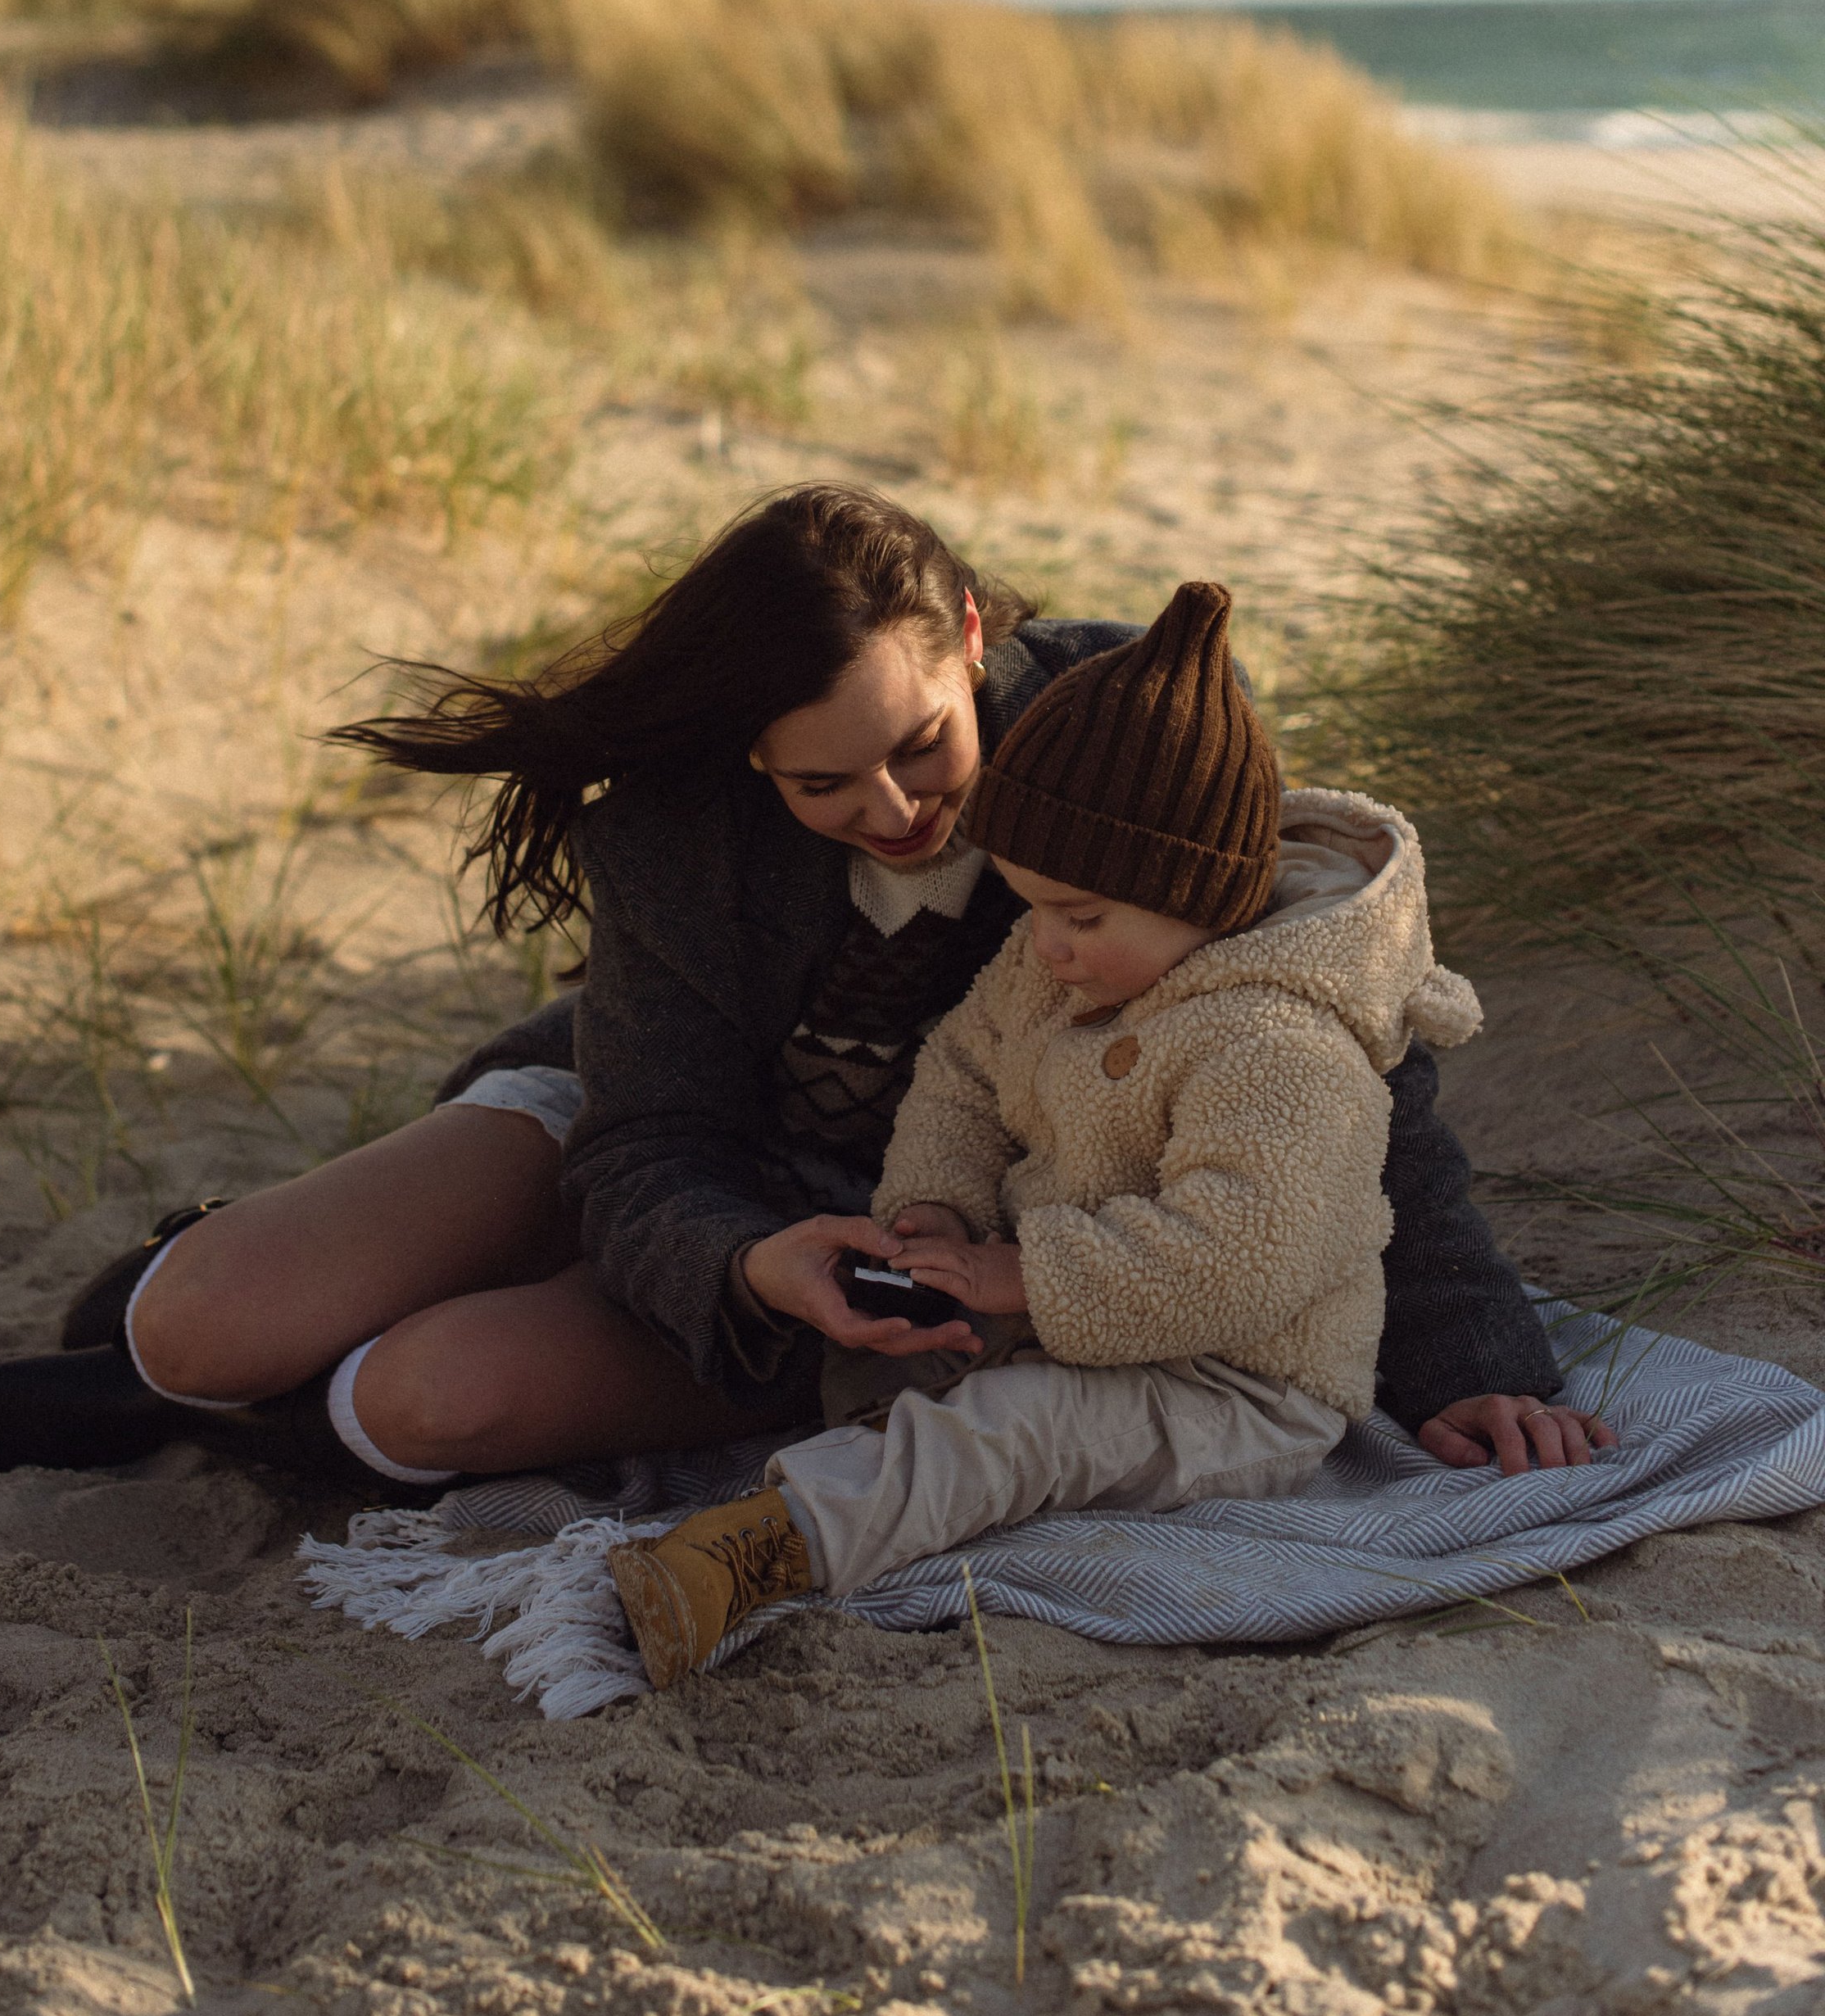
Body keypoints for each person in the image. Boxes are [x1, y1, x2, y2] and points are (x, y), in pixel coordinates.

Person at [0, 487, 1608, 1489]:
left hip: (889, 1254)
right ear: (746, 754)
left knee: (414, 1399)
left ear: (965, 628)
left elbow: (1323, 1028)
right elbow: (644, 1136)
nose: (895, 810)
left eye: (922, 747)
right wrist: (731, 1244)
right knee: (191, 1318)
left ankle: (242, 1418)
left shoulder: (1106, 719)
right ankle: (193, 1326)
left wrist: (1464, 1350)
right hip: (657, 1139)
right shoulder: (669, 827)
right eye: (822, 787)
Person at [612, 581, 1483, 1688]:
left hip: (1233, 1382)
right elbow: (962, 1074)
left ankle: (762, 1556)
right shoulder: (1057, 958)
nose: (1049, 947)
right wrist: (939, 1207)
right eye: (1032, 908)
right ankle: (845, 1485)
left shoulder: (1280, 1043)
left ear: (1197, 895)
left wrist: (1021, 1275)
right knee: (908, 1370)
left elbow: (1240, 1257)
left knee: (1017, 1431)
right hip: (1076, 1316)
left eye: (1079, 918)